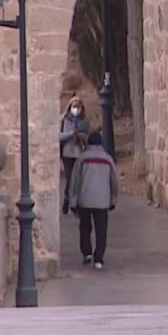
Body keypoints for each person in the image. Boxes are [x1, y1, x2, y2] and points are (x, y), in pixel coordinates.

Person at [66, 130, 119, 268]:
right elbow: (114, 181)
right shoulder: (108, 159)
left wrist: (72, 200)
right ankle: (98, 258)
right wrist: (113, 199)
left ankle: (87, 252)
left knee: (85, 227)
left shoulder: (82, 158)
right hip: (102, 200)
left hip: (85, 199)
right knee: (101, 230)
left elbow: (75, 180)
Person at [57, 95, 89, 213]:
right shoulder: (64, 120)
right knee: (70, 178)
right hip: (67, 153)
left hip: (79, 152)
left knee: (78, 179)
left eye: (78, 107)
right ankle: (67, 200)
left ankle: (75, 202)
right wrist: (70, 134)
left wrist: (81, 136)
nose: (76, 109)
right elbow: (58, 136)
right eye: (74, 106)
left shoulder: (84, 121)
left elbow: (87, 137)